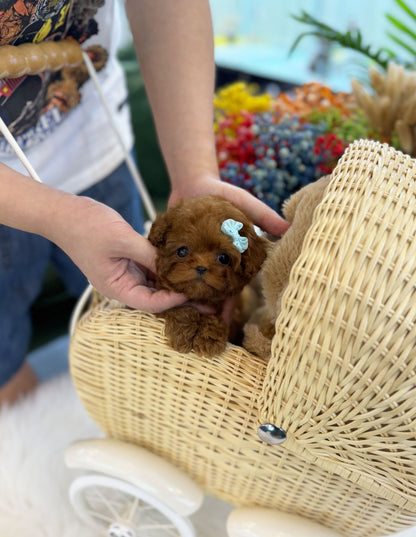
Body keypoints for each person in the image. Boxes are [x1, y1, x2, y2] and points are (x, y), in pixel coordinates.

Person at [0, 0, 289, 405]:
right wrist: (56, 215)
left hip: (97, 133)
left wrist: (196, 173)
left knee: (135, 309)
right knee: (5, 357)